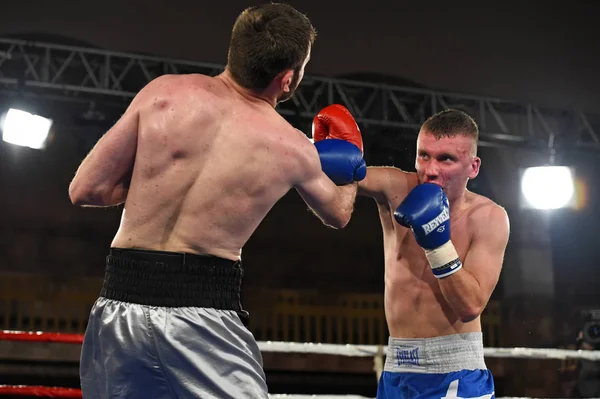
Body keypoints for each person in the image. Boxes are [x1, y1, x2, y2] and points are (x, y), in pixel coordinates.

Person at [68, 4, 366, 399]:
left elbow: (85, 189)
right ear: (289, 79)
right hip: (202, 316)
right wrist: (351, 157)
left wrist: (150, 187)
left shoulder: (161, 95)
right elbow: (339, 214)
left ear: (235, 50)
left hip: (117, 307)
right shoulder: (291, 147)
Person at [358, 109, 510, 398]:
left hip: (455, 372)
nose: (430, 169)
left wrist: (438, 245)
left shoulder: (489, 217)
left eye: (446, 159)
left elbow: (470, 306)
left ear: (473, 167)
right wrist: (323, 150)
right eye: (424, 155)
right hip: (397, 370)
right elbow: (341, 174)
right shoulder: (395, 189)